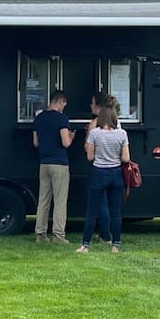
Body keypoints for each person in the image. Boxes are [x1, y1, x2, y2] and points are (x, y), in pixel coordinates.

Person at [77, 95, 130, 253]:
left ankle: (85, 245)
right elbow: (126, 158)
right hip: (116, 173)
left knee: (92, 211)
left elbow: (90, 156)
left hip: (99, 172)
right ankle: (116, 245)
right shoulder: (122, 134)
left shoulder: (95, 134)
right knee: (115, 211)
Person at [33, 90, 76, 243]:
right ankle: (58, 235)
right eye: (64, 104)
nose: (63, 107)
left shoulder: (39, 118)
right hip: (59, 164)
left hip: (44, 163)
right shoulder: (61, 119)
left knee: (43, 200)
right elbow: (65, 143)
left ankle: (40, 234)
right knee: (60, 201)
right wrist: (71, 136)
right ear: (60, 101)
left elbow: (36, 143)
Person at [86, 92, 112, 243]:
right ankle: (111, 236)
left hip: (99, 167)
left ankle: (104, 234)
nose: (90, 105)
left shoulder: (94, 124)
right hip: (114, 168)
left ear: (98, 106)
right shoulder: (117, 124)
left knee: (100, 202)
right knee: (111, 202)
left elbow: (88, 149)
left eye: (92, 102)